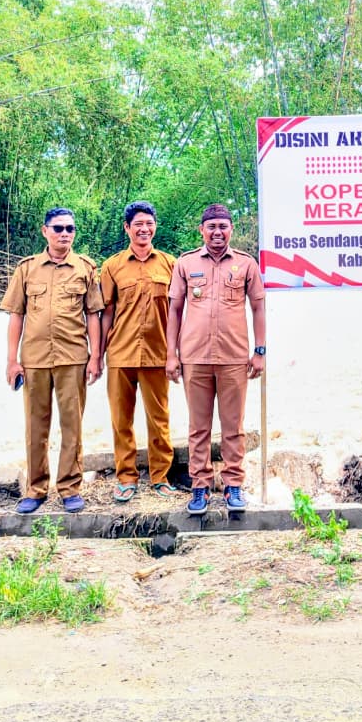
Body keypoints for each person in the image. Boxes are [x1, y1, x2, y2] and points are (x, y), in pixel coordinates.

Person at [1, 207, 103, 513]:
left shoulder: (85, 268)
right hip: (34, 359)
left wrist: (96, 356)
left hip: (73, 358)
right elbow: (16, 315)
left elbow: (94, 315)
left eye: (70, 229)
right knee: (36, 426)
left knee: (72, 425)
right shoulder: (27, 269)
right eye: (58, 228)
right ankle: (35, 489)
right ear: (45, 231)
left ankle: (70, 488)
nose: (64, 234)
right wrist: (11, 360)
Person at [166, 204, 266, 515]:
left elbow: (258, 308)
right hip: (194, 357)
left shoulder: (247, 265)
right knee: (198, 427)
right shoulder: (186, 263)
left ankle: (233, 485)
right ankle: (200, 487)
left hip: (234, 357)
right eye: (211, 227)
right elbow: (174, 310)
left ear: (231, 229)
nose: (217, 232)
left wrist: (259, 350)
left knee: (233, 426)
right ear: (202, 230)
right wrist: (172, 354)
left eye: (223, 226)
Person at [99, 201, 177, 501]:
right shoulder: (112, 266)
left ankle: (160, 476)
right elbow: (106, 312)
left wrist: (177, 353)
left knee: (159, 419)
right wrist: (98, 356)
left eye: (149, 223)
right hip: (120, 353)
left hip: (158, 354)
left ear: (155, 226)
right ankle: (126, 477)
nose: (144, 229)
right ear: (127, 228)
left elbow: (178, 311)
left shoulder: (171, 264)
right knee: (121, 419)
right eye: (138, 224)